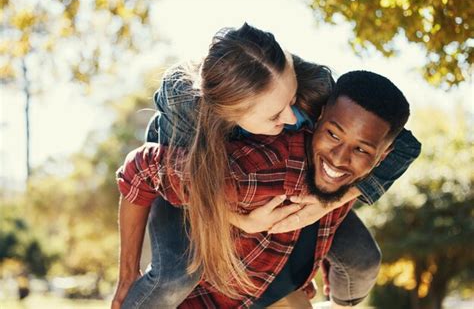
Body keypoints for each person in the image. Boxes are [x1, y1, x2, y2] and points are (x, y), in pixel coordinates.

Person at [112, 24, 421, 308]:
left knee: (362, 257)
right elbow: (150, 176)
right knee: (177, 276)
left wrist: (325, 208)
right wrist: (240, 221)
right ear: (231, 113)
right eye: (275, 116)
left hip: (284, 192)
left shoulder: (315, 90)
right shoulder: (186, 108)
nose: (292, 119)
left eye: (292, 100)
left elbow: (399, 144)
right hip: (184, 186)